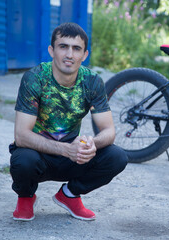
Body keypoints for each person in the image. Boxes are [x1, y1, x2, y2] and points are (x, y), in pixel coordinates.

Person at [9, 22, 128, 221]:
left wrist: (91, 144)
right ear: (51, 50)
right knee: (23, 160)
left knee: (117, 156)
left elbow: (108, 131)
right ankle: (26, 196)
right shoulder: (35, 78)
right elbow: (21, 136)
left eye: (76, 49)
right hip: (39, 155)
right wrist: (66, 149)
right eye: (63, 46)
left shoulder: (92, 81)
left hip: (73, 156)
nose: (69, 55)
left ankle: (70, 195)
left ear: (84, 55)